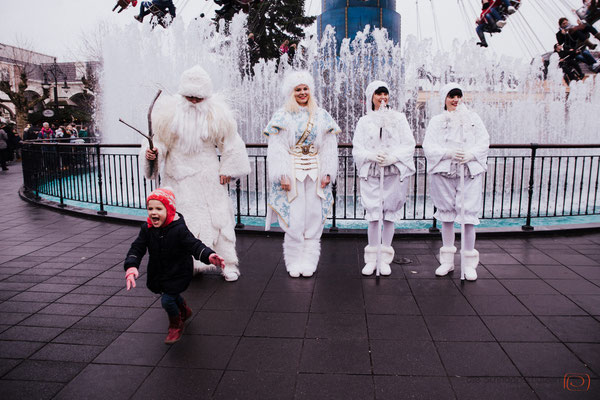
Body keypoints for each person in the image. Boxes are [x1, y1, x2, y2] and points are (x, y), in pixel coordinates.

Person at [144, 65, 250, 282]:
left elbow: (232, 144)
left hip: (208, 178)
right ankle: (185, 265)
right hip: (177, 179)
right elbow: (159, 144)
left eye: (198, 98)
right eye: (189, 97)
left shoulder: (218, 116)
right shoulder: (166, 116)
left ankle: (227, 263)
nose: (193, 102)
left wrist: (228, 169)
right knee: (180, 223)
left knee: (219, 220)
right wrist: (152, 154)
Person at [264, 70, 340, 278]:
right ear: (291, 92)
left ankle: (309, 260)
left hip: (316, 172)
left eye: (305, 88)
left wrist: (327, 172)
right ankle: (293, 260)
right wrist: (282, 175)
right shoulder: (282, 115)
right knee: (294, 218)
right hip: (292, 170)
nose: (302, 92)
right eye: (298, 89)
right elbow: (277, 147)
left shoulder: (322, 115)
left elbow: (329, 146)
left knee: (314, 218)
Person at [124, 188, 225, 344]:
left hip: (178, 271)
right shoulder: (148, 229)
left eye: (159, 208)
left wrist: (208, 255)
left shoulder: (178, 229)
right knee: (169, 294)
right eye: (150, 208)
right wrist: (131, 266)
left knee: (167, 300)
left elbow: (194, 245)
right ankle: (184, 310)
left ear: (169, 210)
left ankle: (175, 324)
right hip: (159, 271)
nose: (153, 212)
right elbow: (137, 247)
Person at [423, 83, 490, 281]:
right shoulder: (437, 121)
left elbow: (483, 141)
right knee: (447, 216)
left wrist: (470, 154)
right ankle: (447, 261)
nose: (455, 100)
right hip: (444, 173)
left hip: (468, 172)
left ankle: (469, 263)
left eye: (458, 96)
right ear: (444, 98)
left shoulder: (473, 119)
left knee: (468, 217)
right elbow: (429, 146)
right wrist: (448, 153)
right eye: (452, 96)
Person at [352, 81, 416, 276]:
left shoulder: (399, 118)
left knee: (389, 214)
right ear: (371, 96)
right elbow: (358, 146)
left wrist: (393, 157)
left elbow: (408, 143)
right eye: (378, 94)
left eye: (385, 94)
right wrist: (371, 156)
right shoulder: (364, 121)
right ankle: (371, 257)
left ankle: (385, 256)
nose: (382, 98)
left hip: (392, 172)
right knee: (373, 214)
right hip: (372, 172)